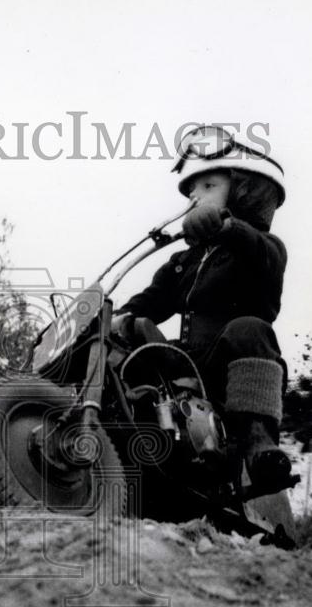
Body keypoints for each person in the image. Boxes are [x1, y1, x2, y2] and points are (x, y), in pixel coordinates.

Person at [114, 125, 292, 496]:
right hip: (187, 366)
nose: (195, 195)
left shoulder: (262, 247)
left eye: (208, 186)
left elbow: (259, 252)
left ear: (243, 191)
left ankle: (259, 446)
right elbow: (150, 300)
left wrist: (227, 227)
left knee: (248, 327)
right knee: (134, 331)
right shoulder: (184, 261)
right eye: (193, 189)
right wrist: (115, 317)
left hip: (231, 372)